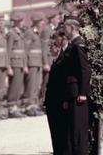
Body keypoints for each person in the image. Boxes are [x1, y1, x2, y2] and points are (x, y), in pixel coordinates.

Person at [61, 16, 91, 155]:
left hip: (78, 92)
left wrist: (83, 93)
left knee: (78, 130)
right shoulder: (73, 45)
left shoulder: (79, 45)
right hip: (72, 92)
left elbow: (85, 70)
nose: (64, 30)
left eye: (65, 27)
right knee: (72, 128)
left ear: (72, 28)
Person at [45, 26, 68, 155]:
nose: (49, 50)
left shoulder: (62, 60)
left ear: (57, 47)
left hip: (58, 102)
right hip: (52, 102)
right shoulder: (56, 61)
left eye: (51, 47)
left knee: (59, 132)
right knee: (54, 132)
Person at [6, 12, 28, 118]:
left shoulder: (20, 33)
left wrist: (24, 65)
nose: (22, 23)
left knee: (19, 86)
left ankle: (15, 107)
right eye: (21, 21)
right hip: (14, 63)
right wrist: (8, 66)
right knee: (14, 86)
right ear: (16, 22)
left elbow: (23, 51)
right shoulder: (11, 34)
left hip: (20, 64)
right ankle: (11, 108)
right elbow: (8, 51)